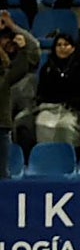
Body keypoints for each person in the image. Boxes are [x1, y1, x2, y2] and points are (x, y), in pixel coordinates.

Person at [0, 11, 39, 179]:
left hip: (3, 125)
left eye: (10, 37)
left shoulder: (11, 72)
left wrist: (13, 27)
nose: (7, 41)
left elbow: (33, 49)